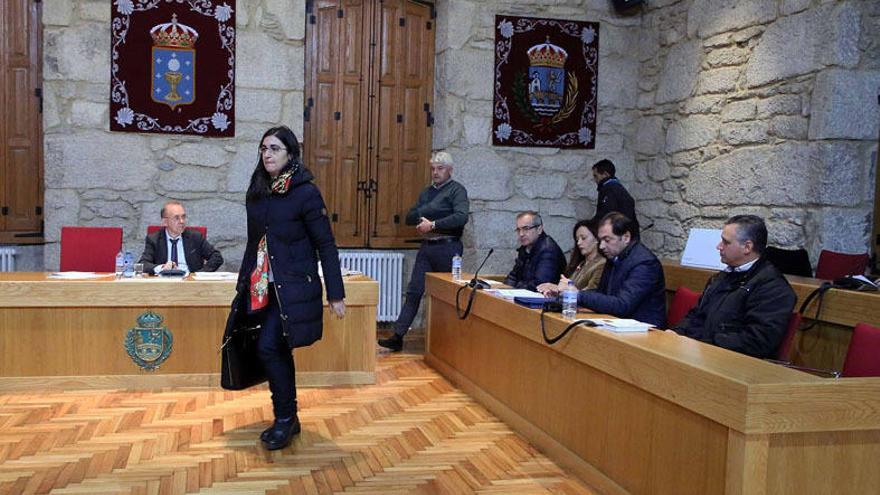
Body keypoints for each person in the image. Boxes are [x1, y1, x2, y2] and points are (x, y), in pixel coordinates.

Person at [232, 125, 346, 451]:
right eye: (263, 148)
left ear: (290, 154)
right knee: (276, 349)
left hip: (294, 289)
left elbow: (326, 244)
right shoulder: (257, 190)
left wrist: (335, 293)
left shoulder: (305, 192)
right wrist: (243, 283)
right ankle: (289, 418)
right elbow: (255, 244)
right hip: (261, 288)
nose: (267, 154)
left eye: (274, 149)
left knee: (269, 346)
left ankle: (284, 419)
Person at [378, 151, 469, 352]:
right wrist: (430, 212)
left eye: (440, 168)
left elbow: (461, 217)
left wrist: (433, 222)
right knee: (414, 291)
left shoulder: (457, 191)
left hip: (448, 247)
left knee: (446, 294)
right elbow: (411, 217)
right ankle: (398, 336)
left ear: (450, 170)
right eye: (433, 169)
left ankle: (448, 341)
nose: (435, 173)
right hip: (427, 247)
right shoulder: (427, 192)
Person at [672, 215, 796, 359]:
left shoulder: (773, 288)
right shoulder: (721, 277)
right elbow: (695, 315)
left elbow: (756, 341)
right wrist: (676, 334)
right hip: (702, 354)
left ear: (747, 247)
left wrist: (701, 343)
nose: (719, 246)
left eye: (726, 242)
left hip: (734, 364)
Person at [577, 212, 666, 327]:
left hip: (645, 333)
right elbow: (602, 294)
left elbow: (622, 305)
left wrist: (578, 295)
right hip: (616, 325)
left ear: (626, 237)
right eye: (600, 241)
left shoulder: (645, 263)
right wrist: (565, 295)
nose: (601, 246)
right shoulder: (614, 257)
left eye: (607, 240)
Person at [138, 200, 223, 274]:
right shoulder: (154, 239)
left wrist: (200, 274)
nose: (182, 221)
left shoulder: (195, 237)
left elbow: (216, 257)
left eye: (183, 217)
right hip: (164, 285)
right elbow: (143, 264)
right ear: (165, 222)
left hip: (191, 284)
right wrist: (162, 268)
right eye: (176, 218)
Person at [537, 218, 606, 296]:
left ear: (596, 238)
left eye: (583, 238)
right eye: (577, 240)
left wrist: (558, 289)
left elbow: (591, 294)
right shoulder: (580, 263)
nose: (579, 243)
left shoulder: (601, 264)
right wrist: (556, 291)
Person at [504, 211, 566, 291]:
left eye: (526, 229)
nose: (521, 234)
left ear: (539, 229)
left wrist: (514, 289)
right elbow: (513, 276)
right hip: (522, 294)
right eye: (518, 230)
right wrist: (503, 290)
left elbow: (538, 285)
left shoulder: (548, 250)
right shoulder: (525, 248)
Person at [591, 159, 638, 234]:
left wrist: (590, 226)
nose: (595, 180)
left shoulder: (610, 189)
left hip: (618, 234)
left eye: (596, 176)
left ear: (605, 175)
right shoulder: (617, 188)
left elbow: (606, 214)